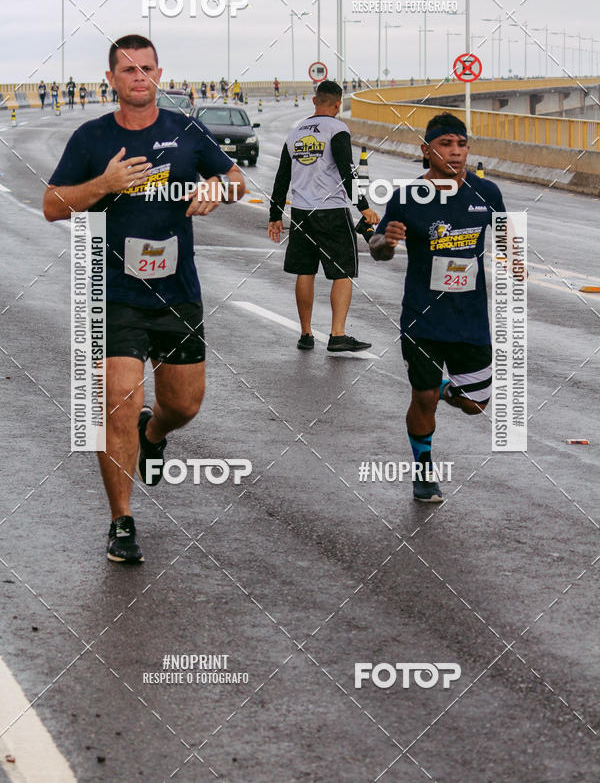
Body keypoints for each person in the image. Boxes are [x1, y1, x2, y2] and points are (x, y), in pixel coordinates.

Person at [43, 33, 245, 564]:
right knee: (117, 403)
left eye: (147, 68)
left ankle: (154, 432)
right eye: (128, 70)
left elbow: (237, 178)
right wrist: (104, 184)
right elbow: (52, 205)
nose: (139, 78)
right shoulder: (91, 138)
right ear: (110, 79)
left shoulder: (185, 131)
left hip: (177, 291)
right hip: (114, 293)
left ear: (159, 73)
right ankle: (122, 521)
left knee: (184, 403)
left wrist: (218, 189)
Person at [369, 112, 506, 502]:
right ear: (426, 150)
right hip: (422, 317)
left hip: (471, 320)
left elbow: (507, 238)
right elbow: (377, 248)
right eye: (446, 144)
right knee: (422, 396)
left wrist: (517, 262)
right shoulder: (409, 197)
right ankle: (424, 470)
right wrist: (385, 241)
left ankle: (450, 390)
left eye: (462, 144)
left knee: (475, 405)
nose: (456, 152)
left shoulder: (487, 192)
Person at [268, 80, 379, 353]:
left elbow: (282, 178)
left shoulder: (294, 134)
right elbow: (347, 170)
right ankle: (337, 334)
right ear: (338, 105)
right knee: (343, 272)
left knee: (305, 271)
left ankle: (306, 334)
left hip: (302, 214)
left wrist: (275, 215)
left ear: (314, 101)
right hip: (331, 212)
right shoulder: (337, 129)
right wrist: (363, 207)